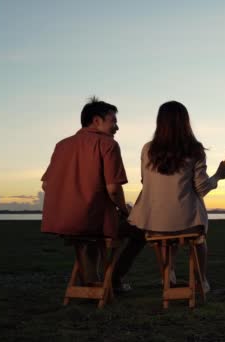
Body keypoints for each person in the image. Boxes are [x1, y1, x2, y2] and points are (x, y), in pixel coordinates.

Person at [41, 97, 143, 292]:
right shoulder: (108, 144)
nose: (117, 127)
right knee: (139, 232)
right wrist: (125, 210)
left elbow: (46, 184)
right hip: (93, 221)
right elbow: (113, 189)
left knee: (88, 238)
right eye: (113, 121)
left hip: (65, 222)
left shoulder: (62, 145)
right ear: (97, 121)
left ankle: (91, 281)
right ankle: (113, 280)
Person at [128, 101, 225, 293]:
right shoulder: (194, 149)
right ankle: (201, 281)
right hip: (187, 222)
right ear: (185, 122)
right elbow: (201, 188)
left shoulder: (147, 149)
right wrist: (219, 175)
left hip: (153, 223)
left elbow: (145, 182)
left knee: (164, 236)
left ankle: (167, 275)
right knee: (198, 240)